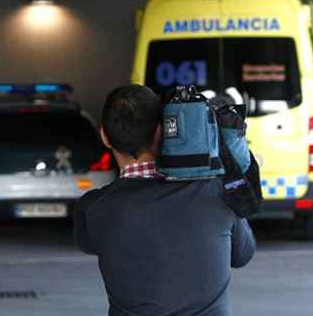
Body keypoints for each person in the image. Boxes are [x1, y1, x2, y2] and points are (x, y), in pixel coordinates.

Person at [74, 85, 256, 316]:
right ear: (162, 131)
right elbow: (243, 254)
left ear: (105, 137)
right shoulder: (216, 191)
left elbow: (90, 243)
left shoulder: (92, 209)